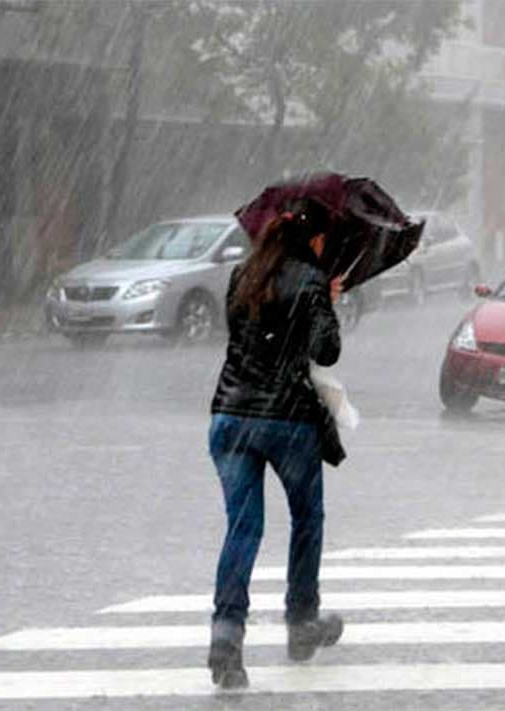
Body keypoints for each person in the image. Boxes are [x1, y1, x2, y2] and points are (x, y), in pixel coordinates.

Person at [207, 198, 345, 689]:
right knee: (307, 518)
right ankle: (301, 622)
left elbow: (246, 339)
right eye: (325, 239)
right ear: (314, 239)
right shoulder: (310, 280)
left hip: (229, 417)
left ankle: (226, 637)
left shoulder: (242, 275)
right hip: (286, 421)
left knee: (242, 529)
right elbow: (325, 349)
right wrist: (326, 298)